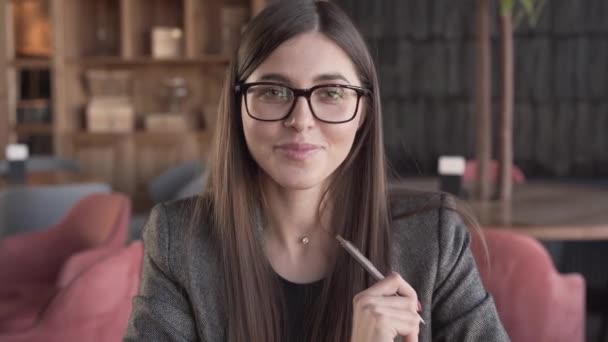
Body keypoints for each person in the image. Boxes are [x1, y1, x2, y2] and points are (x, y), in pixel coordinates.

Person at [124, 1, 509, 341]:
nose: (301, 120)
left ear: (364, 112)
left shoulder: (433, 238)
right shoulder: (179, 241)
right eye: (273, 92)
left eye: (332, 93)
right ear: (238, 106)